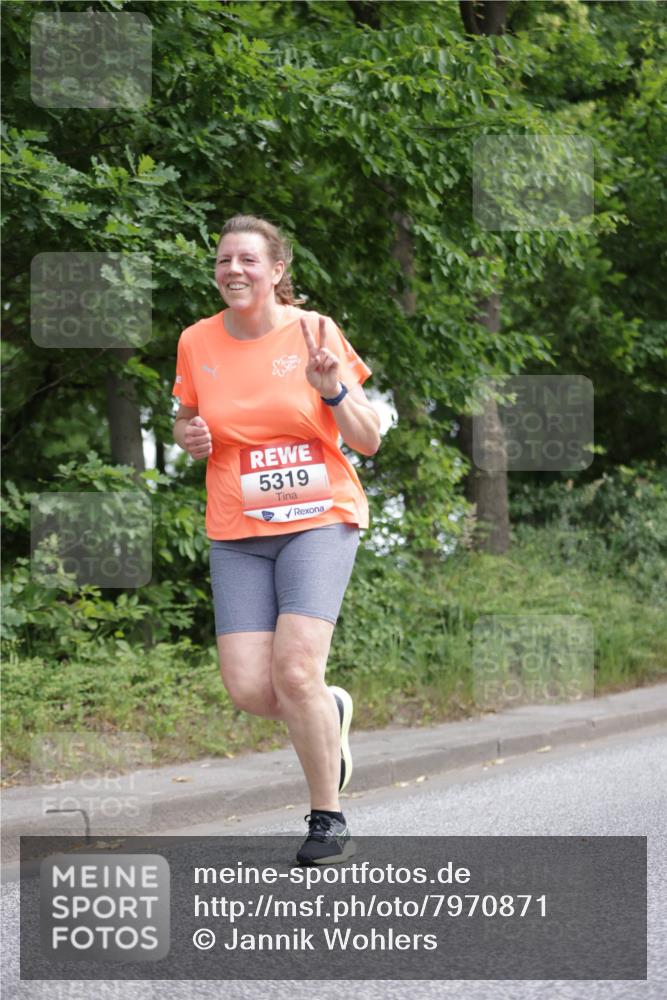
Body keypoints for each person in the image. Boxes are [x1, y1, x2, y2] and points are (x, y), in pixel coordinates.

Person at [171, 214, 380, 864]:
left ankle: (327, 818)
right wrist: (188, 436)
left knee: (294, 670)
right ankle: (329, 706)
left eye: (248, 260)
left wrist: (334, 390)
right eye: (223, 260)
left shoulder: (314, 331)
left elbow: (368, 438)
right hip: (237, 527)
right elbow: (185, 416)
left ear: (277, 271)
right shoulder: (196, 340)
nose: (233, 269)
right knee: (251, 690)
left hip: (318, 516)